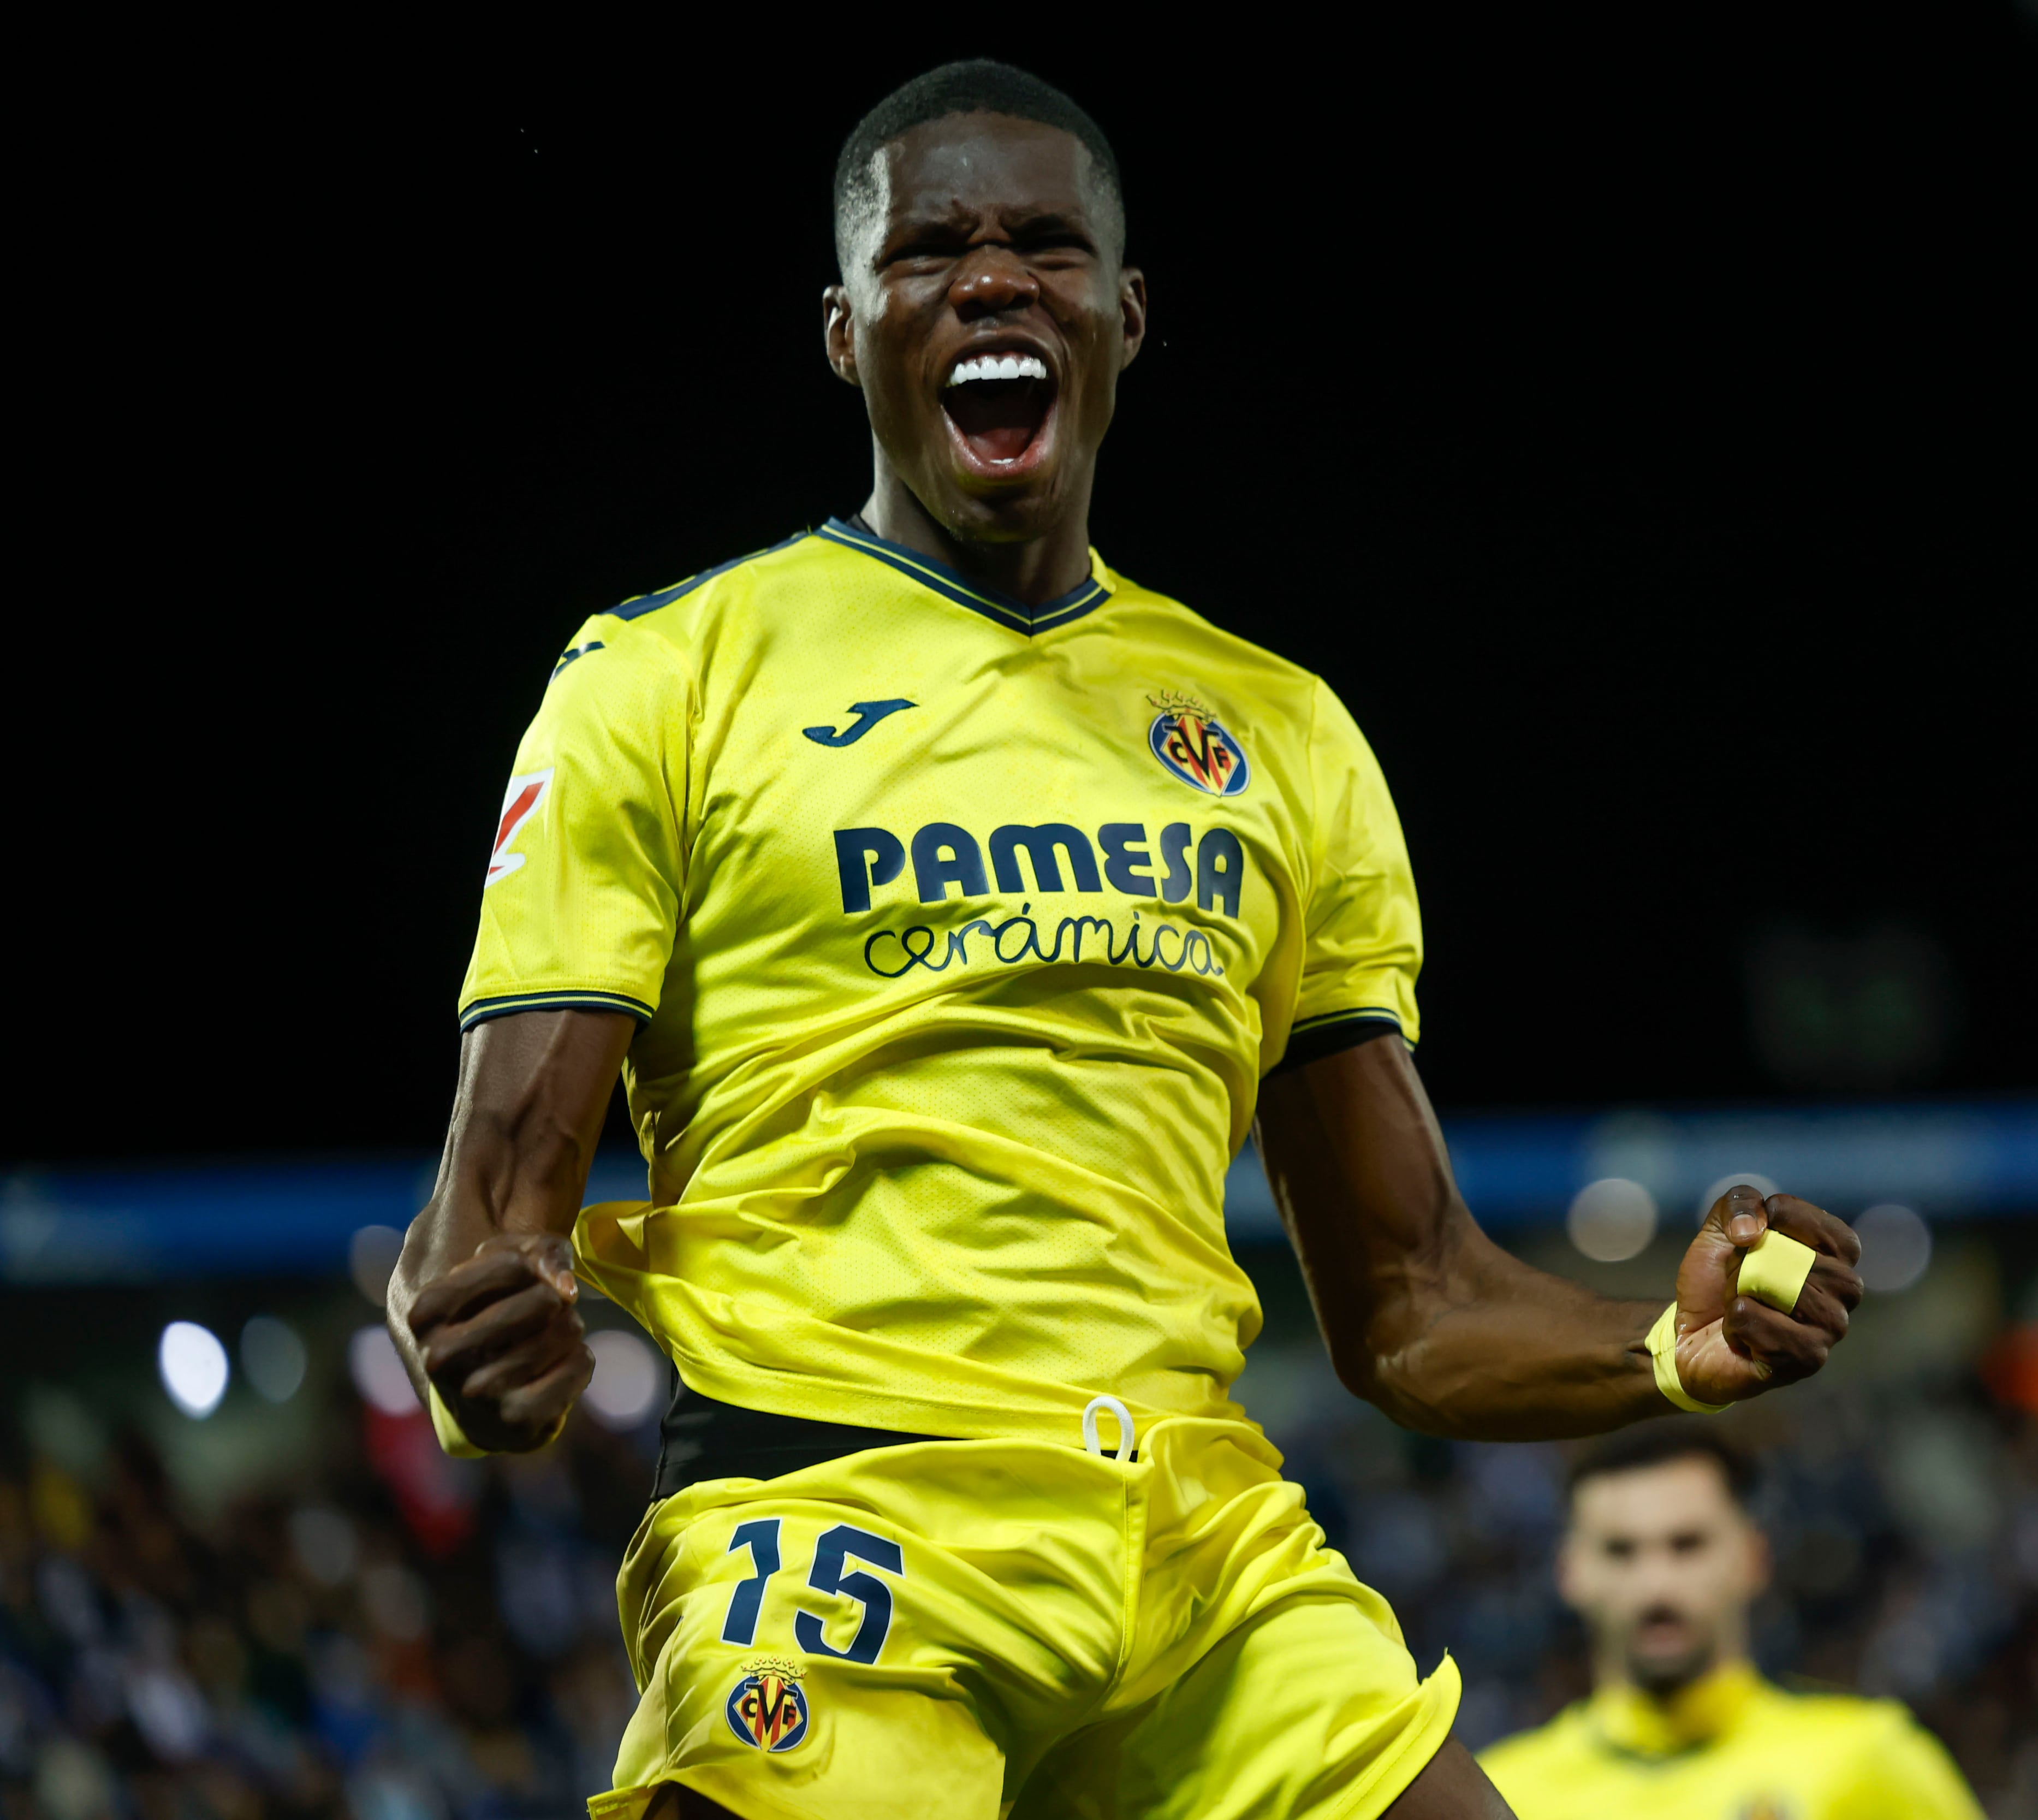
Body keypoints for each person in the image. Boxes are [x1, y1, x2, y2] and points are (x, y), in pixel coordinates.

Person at [385, 58, 1864, 1820]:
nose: (993, 281)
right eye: (930, 251)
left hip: (1192, 1541)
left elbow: (1408, 1300)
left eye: (1044, 247)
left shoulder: (1281, 730)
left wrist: (1655, 1348)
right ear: (847, 333)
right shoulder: (660, 681)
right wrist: (489, 1364)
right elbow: (484, 1229)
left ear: (1127, 315)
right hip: (842, 1510)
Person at [1480, 1426, 1981, 1818]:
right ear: (1569, 1571)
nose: (1657, 1584)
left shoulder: (1868, 1758)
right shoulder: (1501, 1796)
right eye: (1621, 1550)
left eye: (1688, 1544)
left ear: (1752, 1557)